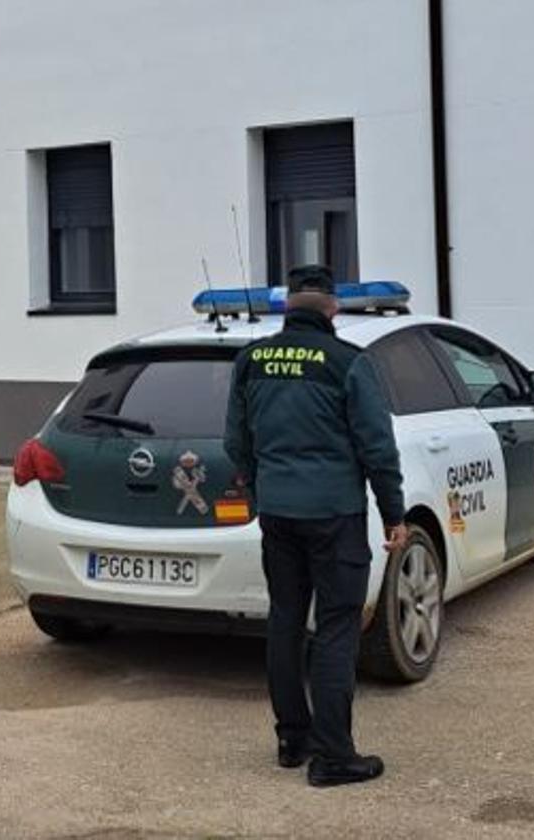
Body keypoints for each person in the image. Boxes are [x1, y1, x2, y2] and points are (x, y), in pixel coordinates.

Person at [224, 264, 408, 787]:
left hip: (278, 515)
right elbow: (376, 446)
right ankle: (333, 756)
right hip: (334, 516)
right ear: (332, 308)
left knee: (284, 620)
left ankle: (292, 740)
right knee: (336, 627)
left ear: (287, 305)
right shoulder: (348, 362)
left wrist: (262, 493)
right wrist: (393, 512)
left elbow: (236, 442)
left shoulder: (251, 359)